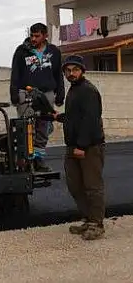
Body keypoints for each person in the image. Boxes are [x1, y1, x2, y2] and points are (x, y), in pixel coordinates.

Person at [51, 54, 106, 240]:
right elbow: (75, 117)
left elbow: (90, 120)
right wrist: (58, 117)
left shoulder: (87, 90)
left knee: (92, 186)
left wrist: (81, 146)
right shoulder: (74, 90)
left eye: (74, 70)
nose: (70, 73)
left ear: (82, 70)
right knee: (75, 185)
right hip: (73, 146)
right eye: (67, 70)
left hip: (89, 147)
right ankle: (88, 219)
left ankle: (97, 224)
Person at [10, 23, 65, 172]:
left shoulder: (54, 52)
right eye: (32, 35)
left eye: (37, 36)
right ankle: (25, 159)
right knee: (26, 126)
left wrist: (60, 93)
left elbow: (58, 74)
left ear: (45, 36)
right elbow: (15, 73)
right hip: (26, 93)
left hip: (47, 93)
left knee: (44, 126)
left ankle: (38, 158)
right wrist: (14, 94)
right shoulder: (22, 51)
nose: (33, 39)